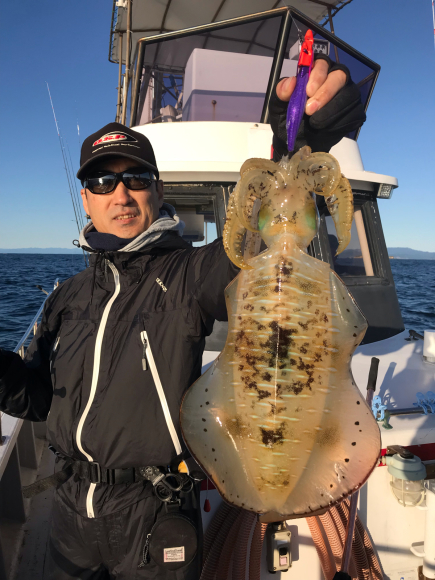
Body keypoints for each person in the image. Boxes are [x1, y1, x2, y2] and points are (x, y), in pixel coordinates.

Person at [0, 56, 366, 579]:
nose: (120, 194)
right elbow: (34, 397)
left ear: (159, 190)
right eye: (103, 181)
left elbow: (257, 243)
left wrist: (300, 144)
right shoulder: (67, 296)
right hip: (71, 515)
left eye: (137, 178)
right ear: (86, 199)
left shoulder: (191, 274)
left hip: (155, 516)